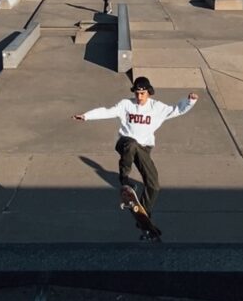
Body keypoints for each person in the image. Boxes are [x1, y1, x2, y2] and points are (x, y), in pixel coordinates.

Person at [73, 76, 198, 219]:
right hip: (125, 143)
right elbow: (107, 111)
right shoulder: (126, 104)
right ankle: (124, 178)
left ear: (149, 93)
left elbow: (177, 110)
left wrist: (190, 101)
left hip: (144, 149)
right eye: (137, 93)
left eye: (142, 94)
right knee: (131, 144)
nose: (139, 97)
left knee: (154, 185)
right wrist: (86, 116)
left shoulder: (157, 108)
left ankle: (143, 213)